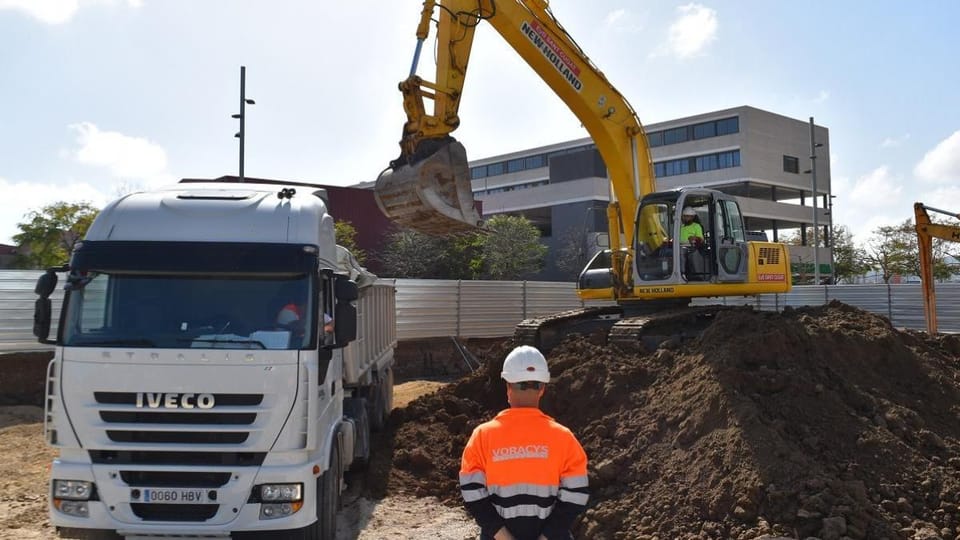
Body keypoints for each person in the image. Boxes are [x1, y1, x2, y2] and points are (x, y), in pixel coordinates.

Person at [459, 345, 589, 540]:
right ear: (542, 389)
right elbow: (576, 495)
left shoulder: (482, 436)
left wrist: (503, 536)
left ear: (508, 387)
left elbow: (472, 495)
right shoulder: (564, 437)